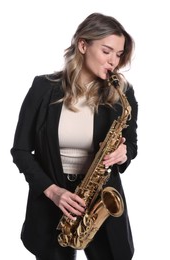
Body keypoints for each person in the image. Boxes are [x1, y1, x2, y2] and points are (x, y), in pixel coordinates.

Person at [11, 12, 138, 260]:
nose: (114, 61)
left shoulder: (121, 92)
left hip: (100, 193)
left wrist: (124, 154)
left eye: (119, 54)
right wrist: (52, 191)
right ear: (82, 45)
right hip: (54, 195)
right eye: (107, 51)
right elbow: (21, 151)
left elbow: (131, 143)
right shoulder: (43, 88)